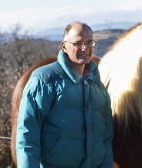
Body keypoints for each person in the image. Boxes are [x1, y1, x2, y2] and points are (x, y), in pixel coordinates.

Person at [16, 21, 113, 168]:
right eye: (78, 43)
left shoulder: (98, 87)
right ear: (64, 46)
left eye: (89, 42)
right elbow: (27, 136)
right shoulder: (44, 80)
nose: (85, 48)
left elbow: (105, 139)